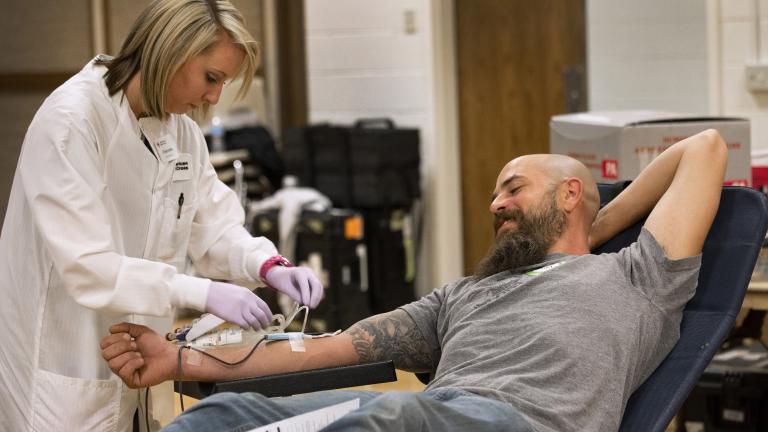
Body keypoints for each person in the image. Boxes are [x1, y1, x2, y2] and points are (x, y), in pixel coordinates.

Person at [101, 129, 727, 432]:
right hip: (433, 416)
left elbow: (703, 149)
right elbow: (320, 348)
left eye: (513, 188)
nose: (495, 204)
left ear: (568, 193)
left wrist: (588, 229)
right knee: (227, 418)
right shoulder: (462, 295)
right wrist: (176, 359)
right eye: (494, 194)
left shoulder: (638, 276)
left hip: (520, 426)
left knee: (388, 424)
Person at [0, 1, 324, 430]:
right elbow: (87, 265)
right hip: (64, 364)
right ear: (168, 51)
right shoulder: (72, 121)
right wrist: (203, 293)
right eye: (211, 78)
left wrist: (267, 265)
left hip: (141, 362)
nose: (213, 97)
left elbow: (213, 225)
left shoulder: (181, 131)